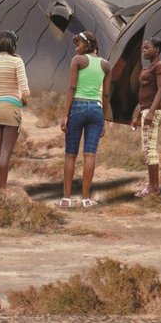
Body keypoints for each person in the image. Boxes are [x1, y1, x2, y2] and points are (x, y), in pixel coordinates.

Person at [60, 31, 112, 208]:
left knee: (70, 155)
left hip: (77, 108)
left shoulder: (78, 61)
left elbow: (72, 87)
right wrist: (104, 119)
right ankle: (86, 199)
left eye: (79, 44)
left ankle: (66, 199)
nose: (76, 48)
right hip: (97, 111)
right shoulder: (106, 65)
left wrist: (65, 114)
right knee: (90, 154)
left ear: (88, 44)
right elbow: (105, 94)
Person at [0, 30, 30, 189]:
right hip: (11, 110)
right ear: (13, 45)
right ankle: (2, 191)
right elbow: (25, 91)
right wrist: (23, 101)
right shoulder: (17, 62)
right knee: (5, 153)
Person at [132, 37, 161, 197]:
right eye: (143, 48)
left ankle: (154, 188)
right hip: (146, 110)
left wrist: (151, 112)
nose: (143, 50)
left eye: (147, 48)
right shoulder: (148, 68)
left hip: (154, 110)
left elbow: (160, 90)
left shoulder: (159, 66)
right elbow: (143, 95)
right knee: (147, 149)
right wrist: (138, 115)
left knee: (150, 149)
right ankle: (151, 187)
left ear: (157, 50)